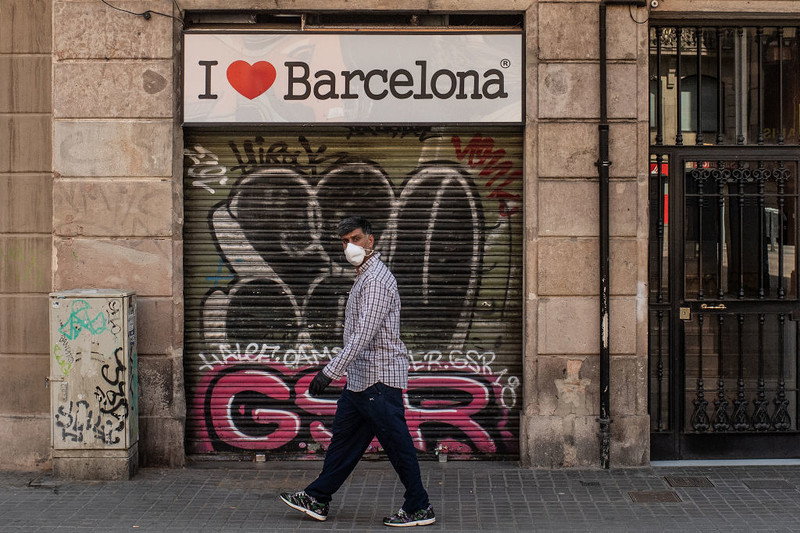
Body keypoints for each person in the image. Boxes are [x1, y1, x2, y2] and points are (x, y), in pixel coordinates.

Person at [280, 216, 435, 527]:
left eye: (356, 238)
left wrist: (330, 371)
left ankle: (419, 506)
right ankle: (317, 497)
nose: (350, 246)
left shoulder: (376, 280)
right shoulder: (365, 277)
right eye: (345, 241)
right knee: (345, 442)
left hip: (379, 380)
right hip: (362, 381)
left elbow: (364, 333)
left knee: (397, 444)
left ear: (371, 240)